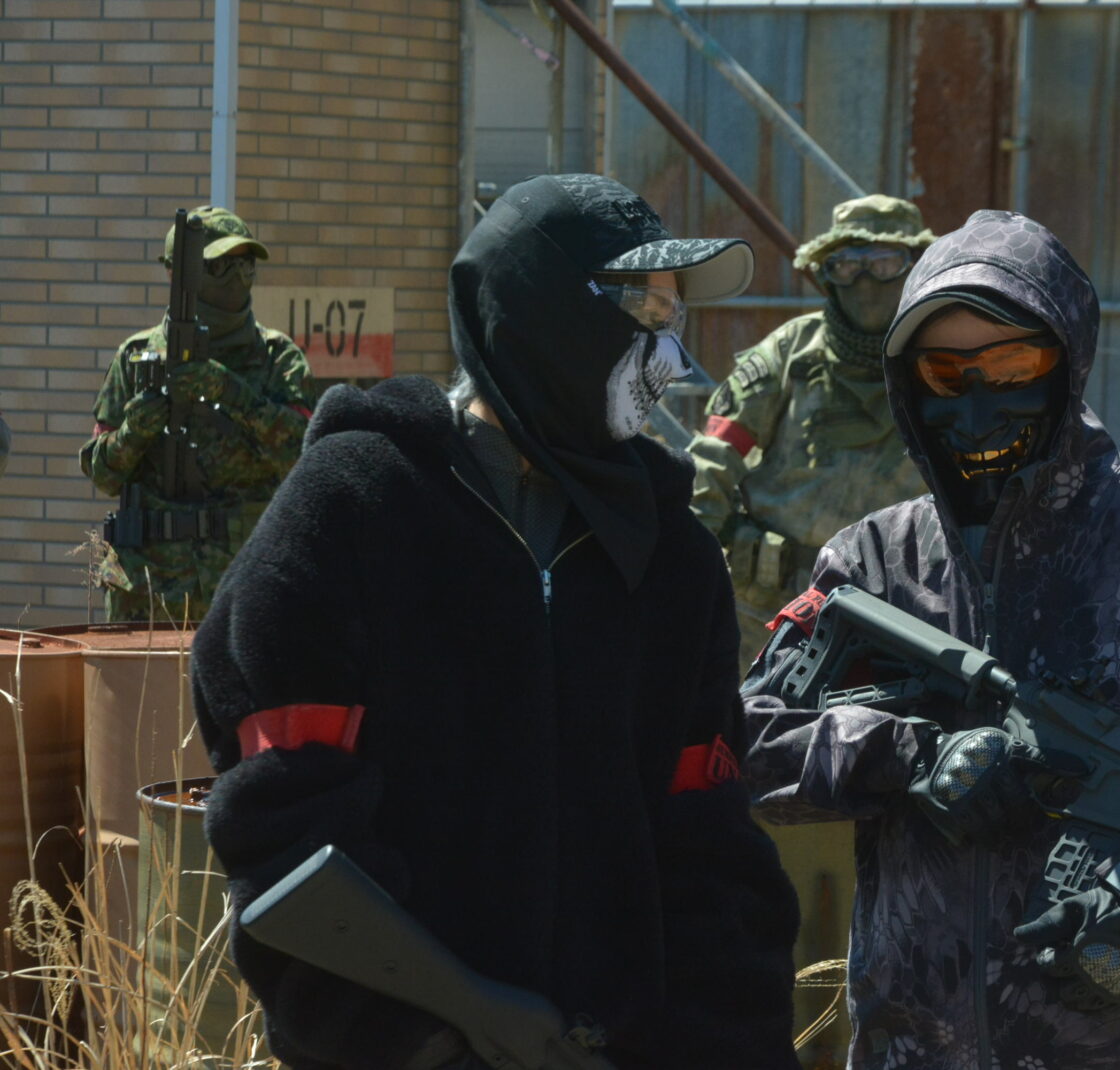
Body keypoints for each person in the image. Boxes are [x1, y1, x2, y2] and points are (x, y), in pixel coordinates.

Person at [190, 174, 801, 1070]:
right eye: (644, 312)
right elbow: (284, 830)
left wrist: (727, 1044)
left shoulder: (672, 554)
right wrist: (435, 1034)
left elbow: (708, 844)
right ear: (542, 308)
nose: (670, 358)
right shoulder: (357, 505)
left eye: (674, 318)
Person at [740, 209, 1120, 1067]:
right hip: (915, 1043)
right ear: (907, 382)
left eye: (1014, 365)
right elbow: (749, 738)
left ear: (1068, 361)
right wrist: (911, 756)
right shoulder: (872, 559)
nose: (979, 399)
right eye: (944, 371)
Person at [688, 195, 936, 665]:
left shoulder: (940, 357)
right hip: (772, 606)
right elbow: (712, 460)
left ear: (915, 266)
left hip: (902, 606)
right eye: (847, 266)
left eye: (885, 263)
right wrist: (684, 563)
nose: (865, 282)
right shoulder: (791, 352)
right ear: (826, 272)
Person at [80, 205, 313, 623]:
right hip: (149, 590)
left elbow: (303, 457)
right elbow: (102, 474)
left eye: (246, 264)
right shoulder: (137, 357)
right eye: (221, 266)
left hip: (246, 582)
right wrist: (136, 429)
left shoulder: (277, 358)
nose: (237, 276)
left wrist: (232, 394)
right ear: (177, 275)